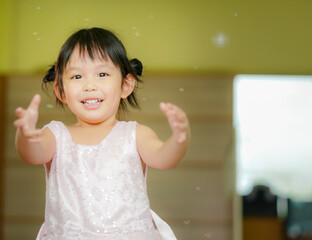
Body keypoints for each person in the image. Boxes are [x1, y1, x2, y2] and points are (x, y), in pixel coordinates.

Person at [14, 27, 190, 240]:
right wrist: (25, 133)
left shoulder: (135, 135)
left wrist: (179, 139)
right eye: (77, 76)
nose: (90, 85)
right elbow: (31, 153)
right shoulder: (56, 135)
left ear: (126, 85)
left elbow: (164, 158)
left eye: (102, 74)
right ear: (61, 90)